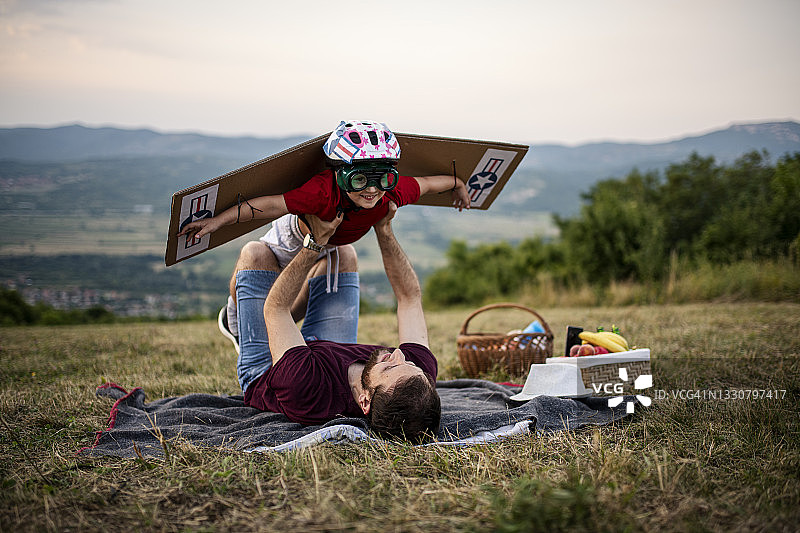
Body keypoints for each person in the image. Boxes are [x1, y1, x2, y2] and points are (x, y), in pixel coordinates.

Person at [177, 120, 470, 352]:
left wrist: (457, 183)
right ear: (340, 175)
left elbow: (429, 184)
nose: (371, 190)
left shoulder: (389, 191)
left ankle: (283, 326)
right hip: (290, 244)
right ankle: (236, 316)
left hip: (330, 246)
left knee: (319, 276)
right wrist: (216, 222)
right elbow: (269, 206)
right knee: (256, 260)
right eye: (359, 179)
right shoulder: (321, 192)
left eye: (382, 178)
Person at [236, 201, 441, 442]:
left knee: (256, 255)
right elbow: (410, 298)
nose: (398, 353)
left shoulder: (304, 388)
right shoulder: (412, 377)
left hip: (267, 369)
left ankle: (236, 317)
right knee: (343, 254)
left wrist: (314, 243)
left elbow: (276, 309)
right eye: (409, 362)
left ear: (364, 400)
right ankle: (283, 325)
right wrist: (384, 229)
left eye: (389, 365)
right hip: (323, 349)